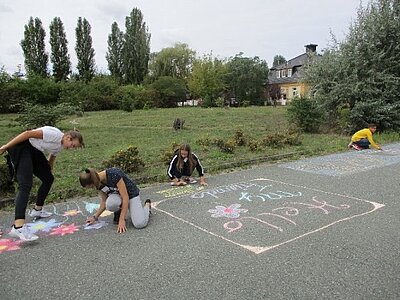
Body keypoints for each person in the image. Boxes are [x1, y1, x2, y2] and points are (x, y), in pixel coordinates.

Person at [0, 126, 84, 241]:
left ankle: (37, 210)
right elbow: (27, 134)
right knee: (25, 185)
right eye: (73, 145)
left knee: (48, 178)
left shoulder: (60, 145)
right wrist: (6, 146)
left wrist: (48, 167)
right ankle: (18, 227)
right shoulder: (54, 135)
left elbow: (53, 156)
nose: (71, 148)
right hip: (22, 146)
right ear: (68, 138)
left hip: (34, 150)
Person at [79, 167, 151, 233]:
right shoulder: (98, 183)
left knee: (140, 224)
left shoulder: (114, 174)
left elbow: (125, 197)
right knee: (110, 204)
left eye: (91, 186)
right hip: (118, 196)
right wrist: (95, 217)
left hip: (131, 195)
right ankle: (119, 211)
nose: (92, 188)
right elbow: (104, 201)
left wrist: (121, 219)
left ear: (93, 182)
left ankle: (147, 205)